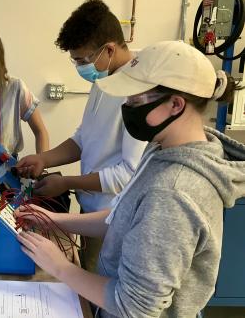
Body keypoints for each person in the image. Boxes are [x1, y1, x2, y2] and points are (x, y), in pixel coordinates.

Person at [16, 40, 245, 317]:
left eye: (136, 100)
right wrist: (54, 220)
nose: (127, 107)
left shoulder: (173, 192)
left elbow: (133, 306)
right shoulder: (164, 150)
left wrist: (60, 267)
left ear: (175, 104)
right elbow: (125, 217)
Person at [15, 0, 147, 269]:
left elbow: (128, 174)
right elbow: (83, 138)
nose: (79, 68)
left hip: (114, 216)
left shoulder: (139, 92)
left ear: (109, 50)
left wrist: (67, 183)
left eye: (81, 60)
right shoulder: (105, 78)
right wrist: (45, 159)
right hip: (91, 211)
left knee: (100, 295)